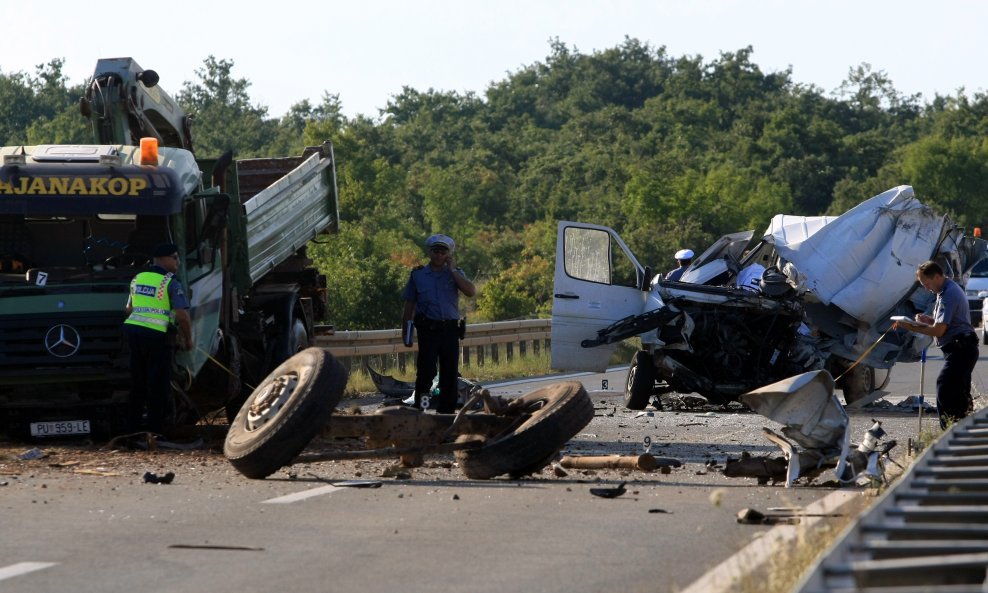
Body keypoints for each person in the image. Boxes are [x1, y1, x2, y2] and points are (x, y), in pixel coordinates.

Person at [894, 261, 978, 428]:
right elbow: (946, 323)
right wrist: (928, 320)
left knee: (945, 389)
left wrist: (910, 326)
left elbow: (939, 331)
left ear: (938, 277)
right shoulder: (944, 291)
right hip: (958, 347)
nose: (926, 288)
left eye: (927, 283)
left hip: (961, 348)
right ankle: (961, 430)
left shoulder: (949, 294)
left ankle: (950, 430)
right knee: (958, 393)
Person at [401, 234, 476, 413]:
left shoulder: (455, 274)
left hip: (449, 330)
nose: (438, 255)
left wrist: (453, 271)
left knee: (449, 374)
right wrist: (406, 333)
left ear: (448, 255)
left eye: (442, 252)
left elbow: (470, 292)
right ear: (430, 252)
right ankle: (423, 409)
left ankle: (446, 413)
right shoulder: (418, 275)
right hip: (428, 330)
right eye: (435, 251)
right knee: (426, 373)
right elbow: (409, 306)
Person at [123, 242, 193, 434]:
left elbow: (128, 309)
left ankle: (132, 431)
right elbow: (182, 315)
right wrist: (188, 339)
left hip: (134, 334)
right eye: (175, 258)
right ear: (164, 259)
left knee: (137, 384)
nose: (178, 262)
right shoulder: (169, 282)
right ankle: (156, 432)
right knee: (158, 385)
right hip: (157, 338)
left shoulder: (137, 278)